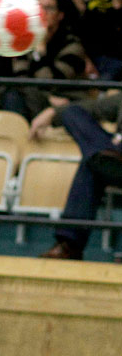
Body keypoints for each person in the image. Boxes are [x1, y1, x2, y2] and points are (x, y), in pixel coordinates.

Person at [29, 92, 122, 260]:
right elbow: (96, 107)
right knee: (72, 113)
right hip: (116, 156)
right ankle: (102, 155)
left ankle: (70, 245)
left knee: (91, 164)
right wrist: (52, 112)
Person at [9, 0, 88, 121]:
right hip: (37, 98)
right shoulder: (24, 42)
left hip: (67, 102)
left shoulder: (73, 46)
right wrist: (47, 97)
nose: (42, 13)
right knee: (13, 94)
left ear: (60, 15)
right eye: (38, 8)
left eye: (48, 8)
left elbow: (52, 82)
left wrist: (39, 52)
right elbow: (20, 78)